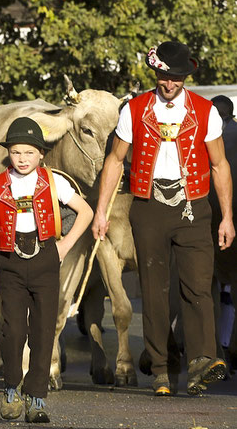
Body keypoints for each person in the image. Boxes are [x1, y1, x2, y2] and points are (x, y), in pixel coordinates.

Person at [92, 41, 234, 397]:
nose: (169, 83)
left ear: (185, 76)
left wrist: (227, 217)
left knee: (198, 285)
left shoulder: (205, 111)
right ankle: (160, 368)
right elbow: (113, 161)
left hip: (193, 205)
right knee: (155, 288)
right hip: (149, 203)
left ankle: (202, 360)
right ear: (155, 74)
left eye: (176, 77)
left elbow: (219, 165)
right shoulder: (135, 109)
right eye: (163, 76)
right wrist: (101, 211)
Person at [0, 117, 93, 423]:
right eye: (16, 152)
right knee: (12, 331)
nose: (22, 159)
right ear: (8, 153)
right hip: (10, 263)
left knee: (43, 331)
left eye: (29, 153)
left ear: (40, 155)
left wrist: (64, 246)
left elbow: (85, 212)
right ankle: (11, 388)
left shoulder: (54, 182)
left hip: (45, 258)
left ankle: (36, 398)